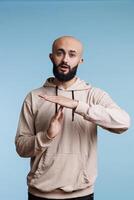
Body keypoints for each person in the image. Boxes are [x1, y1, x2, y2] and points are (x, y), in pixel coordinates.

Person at [15, 36, 130, 200]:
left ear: (80, 60)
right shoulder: (34, 97)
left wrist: (78, 106)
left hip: (82, 193)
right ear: (51, 57)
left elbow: (124, 122)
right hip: (39, 193)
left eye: (72, 54)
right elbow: (21, 147)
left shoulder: (93, 95)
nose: (65, 60)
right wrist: (47, 136)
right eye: (60, 53)